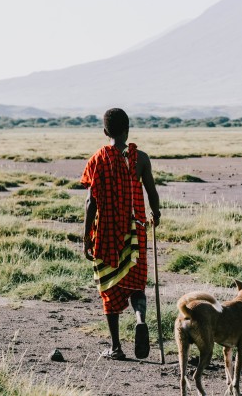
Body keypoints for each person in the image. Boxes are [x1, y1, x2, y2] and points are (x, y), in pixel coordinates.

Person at [81, 108, 161, 360]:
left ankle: (116, 347)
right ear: (128, 130)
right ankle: (139, 319)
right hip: (135, 232)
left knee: (109, 287)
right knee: (136, 285)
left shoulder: (97, 159)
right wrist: (155, 214)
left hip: (106, 232)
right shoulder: (142, 159)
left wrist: (86, 238)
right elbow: (152, 192)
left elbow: (90, 202)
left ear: (105, 132)